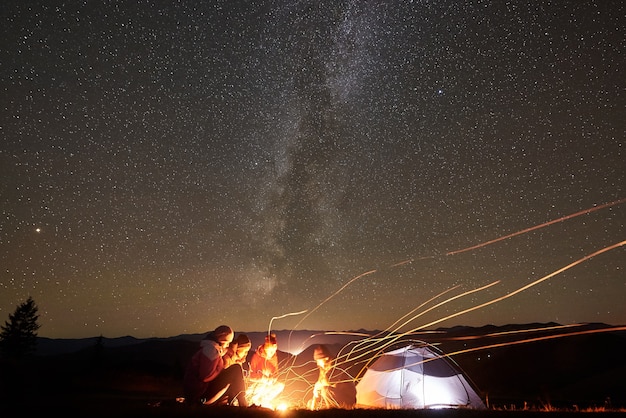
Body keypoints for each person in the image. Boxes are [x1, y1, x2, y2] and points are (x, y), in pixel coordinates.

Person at [183, 325, 248, 406]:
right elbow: (205, 376)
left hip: (198, 394)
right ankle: (243, 403)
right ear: (223, 341)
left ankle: (231, 402)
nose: (228, 345)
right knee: (235, 369)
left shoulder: (212, 348)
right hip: (199, 396)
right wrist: (221, 371)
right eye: (227, 343)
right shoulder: (210, 350)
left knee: (232, 374)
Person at [308, 344, 356, 410]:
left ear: (326, 358)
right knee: (310, 402)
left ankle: (332, 412)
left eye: (318, 360)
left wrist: (318, 386)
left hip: (347, 399)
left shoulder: (336, 367)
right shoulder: (324, 369)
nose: (317, 363)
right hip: (336, 396)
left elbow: (330, 383)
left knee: (325, 390)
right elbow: (320, 384)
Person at [247, 333, 284, 407]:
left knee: (280, 385)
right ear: (265, 349)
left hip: (267, 385)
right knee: (261, 385)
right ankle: (253, 401)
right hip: (256, 385)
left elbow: (276, 373)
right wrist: (263, 378)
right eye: (270, 351)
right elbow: (250, 376)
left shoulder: (274, 358)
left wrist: (273, 378)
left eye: (273, 351)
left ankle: (264, 401)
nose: (272, 353)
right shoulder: (256, 357)